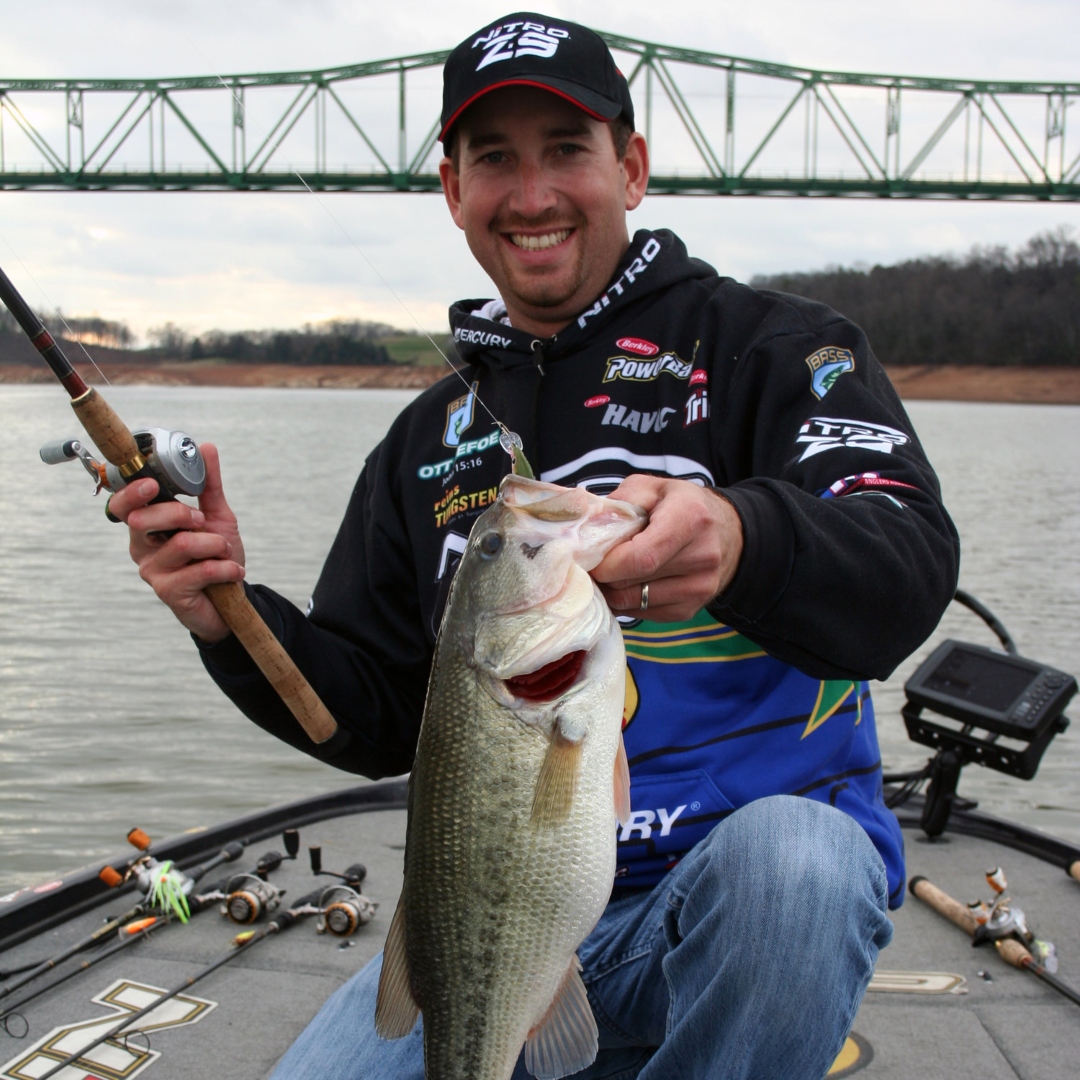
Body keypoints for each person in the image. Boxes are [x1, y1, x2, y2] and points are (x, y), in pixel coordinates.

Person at [112, 12, 959, 1079]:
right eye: (494, 160)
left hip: (734, 907)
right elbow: (375, 713)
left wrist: (748, 537)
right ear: (452, 191)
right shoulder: (426, 438)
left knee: (796, 870)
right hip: (494, 920)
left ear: (633, 166)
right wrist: (227, 614)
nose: (533, 194)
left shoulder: (782, 353)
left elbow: (908, 567)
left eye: (567, 150)